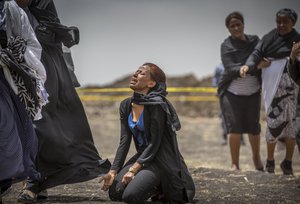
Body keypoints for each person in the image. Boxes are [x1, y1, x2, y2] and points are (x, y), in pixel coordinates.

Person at [15, 0, 111, 202]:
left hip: (42, 68)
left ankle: (35, 182)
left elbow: (51, 32)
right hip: (11, 65)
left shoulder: (41, 8)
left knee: (41, 124)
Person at [100, 63, 195, 204]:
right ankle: (151, 182)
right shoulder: (126, 105)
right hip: (144, 156)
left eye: (141, 73)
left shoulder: (157, 105)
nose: (135, 74)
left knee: (130, 197)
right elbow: (124, 141)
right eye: (136, 71)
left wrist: (133, 170)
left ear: (151, 83)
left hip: (161, 158)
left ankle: (161, 183)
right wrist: (113, 172)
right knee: (115, 193)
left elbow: (155, 142)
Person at [241, 8, 300, 175]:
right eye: (278, 21)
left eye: (285, 22)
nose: (281, 25)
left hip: (294, 91)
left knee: (291, 126)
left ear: (293, 23)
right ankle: (270, 161)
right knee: (273, 124)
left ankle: (287, 163)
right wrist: (250, 65)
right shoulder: (269, 38)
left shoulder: (298, 40)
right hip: (273, 89)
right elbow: (256, 53)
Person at [0, 0, 44, 200]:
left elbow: (30, 44)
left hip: (6, 80)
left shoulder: (12, 11)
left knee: (12, 132)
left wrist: (10, 56)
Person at [218, 11, 269, 171]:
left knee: (254, 128)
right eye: (232, 26)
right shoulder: (226, 46)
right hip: (231, 92)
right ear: (228, 29)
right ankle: (235, 164)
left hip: (253, 92)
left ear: (243, 24)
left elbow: (263, 59)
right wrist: (252, 66)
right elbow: (230, 67)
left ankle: (257, 159)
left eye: (238, 24)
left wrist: (250, 66)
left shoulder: (255, 41)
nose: (236, 28)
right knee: (235, 128)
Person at [212, 62, 246, 145]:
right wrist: (217, 90)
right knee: (224, 116)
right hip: (224, 94)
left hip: (237, 94)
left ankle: (240, 138)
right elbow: (215, 80)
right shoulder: (219, 67)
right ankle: (225, 137)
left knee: (238, 115)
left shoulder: (237, 65)